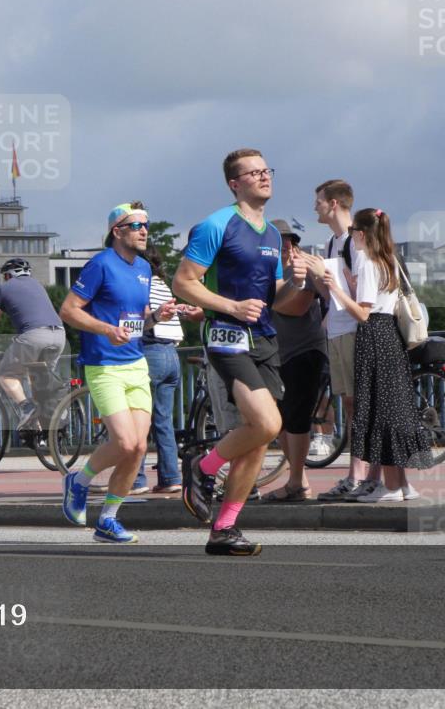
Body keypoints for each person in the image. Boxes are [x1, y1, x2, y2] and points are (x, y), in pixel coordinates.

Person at [172, 148, 307, 556]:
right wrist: (230, 306)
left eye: (267, 170)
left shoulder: (271, 235)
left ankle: (224, 529)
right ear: (235, 183)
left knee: (257, 439)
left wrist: (297, 282)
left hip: (264, 339)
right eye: (254, 173)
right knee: (267, 423)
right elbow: (183, 283)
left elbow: (274, 297)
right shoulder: (216, 225)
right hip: (226, 336)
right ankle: (202, 466)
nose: (265, 176)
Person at [59, 202, 176, 544]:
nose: (144, 231)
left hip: (136, 364)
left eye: (146, 225)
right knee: (124, 442)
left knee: (138, 447)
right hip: (104, 366)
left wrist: (158, 317)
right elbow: (68, 310)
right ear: (117, 231)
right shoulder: (100, 264)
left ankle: (108, 520)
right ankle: (79, 481)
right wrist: (106, 329)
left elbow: (139, 320)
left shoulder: (144, 268)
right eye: (136, 225)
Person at [322, 208, 432, 500]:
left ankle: (391, 487)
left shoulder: (368, 261)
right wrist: (352, 284)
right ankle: (402, 485)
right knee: (393, 408)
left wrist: (337, 289)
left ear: (360, 234)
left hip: (374, 337)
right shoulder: (389, 259)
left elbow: (363, 312)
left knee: (380, 410)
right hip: (390, 336)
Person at [304, 179, 380, 501]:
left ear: (333, 203)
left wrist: (330, 282)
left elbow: (362, 295)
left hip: (354, 330)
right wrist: (317, 277)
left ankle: (365, 475)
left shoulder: (355, 241)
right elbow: (330, 294)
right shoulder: (331, 243)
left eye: (319, 201)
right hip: (338, 329)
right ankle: (358, 474)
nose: (316, 207)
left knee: (360, 405)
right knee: (351, 405)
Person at [260, 220, 328, 501]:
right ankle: (298, 482)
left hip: (305, 351)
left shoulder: (302, 268)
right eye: (278, 240)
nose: (285, 245)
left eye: (288, 240)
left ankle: (298, 483)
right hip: (278, 354)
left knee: (297, 419)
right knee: (280, 421)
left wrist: (267, 301)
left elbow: (299, 307)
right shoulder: (265, 272)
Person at [130, 243, 204, 495]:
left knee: (138, 418)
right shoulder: (162, 284)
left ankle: (136, 479)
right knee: (163, 421)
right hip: (171, 354)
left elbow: (143, 316)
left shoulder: (140, 283)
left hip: (150, 351)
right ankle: (170, 477)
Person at [0, 258, 66, 429]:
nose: (4, 280)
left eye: (5, 276)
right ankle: (45, 431)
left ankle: (27, 408)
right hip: (59, 335)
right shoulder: (38, 285)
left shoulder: (3, 289)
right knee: (39, 383)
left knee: (5, 374)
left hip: (33, 336)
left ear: (9, 275)